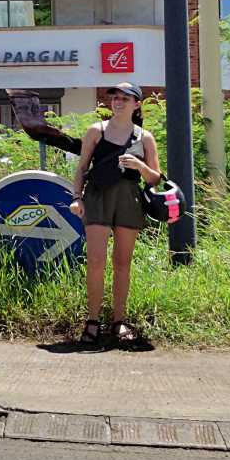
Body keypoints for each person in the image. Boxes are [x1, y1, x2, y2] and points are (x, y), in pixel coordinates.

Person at [68, 83, 161, 348]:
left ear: (137, 104)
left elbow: (156, 177)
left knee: (122, 263)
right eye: (115, 98)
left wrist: (140, 165)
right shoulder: (96, 131)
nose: (118, 102)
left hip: (129, 199)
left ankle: (118, 321)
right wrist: (77, 198)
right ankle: (93, 321)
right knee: (96, 261)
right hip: (97, 196)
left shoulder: (144, 137)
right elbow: (82, 168)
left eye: (124, 98)